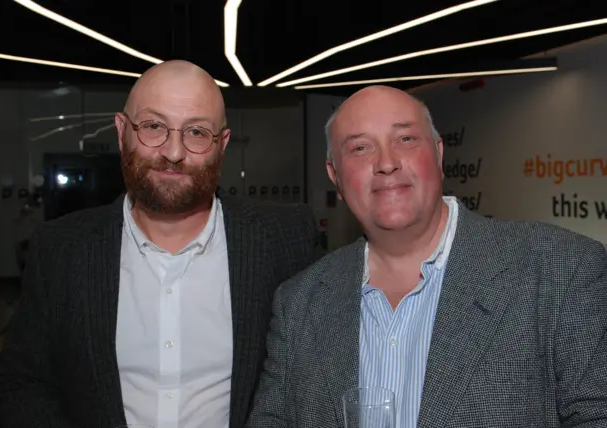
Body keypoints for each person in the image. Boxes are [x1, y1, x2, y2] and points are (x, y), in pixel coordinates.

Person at [245, 85, 607, 428]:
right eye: (359, 148)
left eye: (405, 139)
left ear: (438, 153)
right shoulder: (298, 305)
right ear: (335, 177)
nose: (386, 163)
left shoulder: (562, 270)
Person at [0, 60, 322, 428]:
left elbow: (318, 380)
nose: (173, 152)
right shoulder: (61, 250)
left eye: (196, 131)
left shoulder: (285, 241)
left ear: (221, 145)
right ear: (121, 132)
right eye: (153, 126)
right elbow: (19, 385)